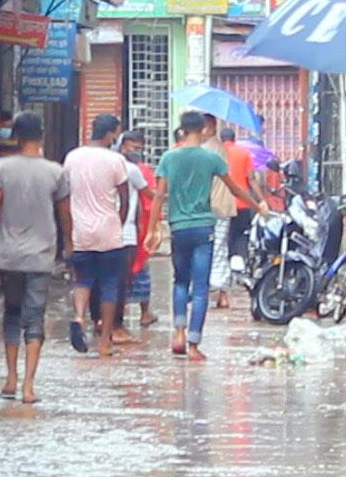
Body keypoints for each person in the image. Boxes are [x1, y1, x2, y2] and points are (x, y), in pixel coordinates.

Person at [0, 112, 70, 404]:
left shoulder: (2, 167)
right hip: (41, 256)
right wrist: (68, 246)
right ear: (41, 136)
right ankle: (29, 386)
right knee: (35, 318)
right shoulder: (55, 172)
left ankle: (10, 378)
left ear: (15, 136)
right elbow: (65, 215)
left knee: (12, 313)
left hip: (10, 255)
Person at [152, 111, 246, 360]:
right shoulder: (211, 157)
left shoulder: (169, 158)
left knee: (180, 281)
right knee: (201, 286)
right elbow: (234, 187)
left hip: (178, 227)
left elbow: (159, 195)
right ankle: (194, 344)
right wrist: (258, 206)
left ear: (182, 131)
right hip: (204, 226)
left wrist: (154, 228)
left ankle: (179, 333)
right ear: (203, 129)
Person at [62, 114, 145, 358]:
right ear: (110, 135)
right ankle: (105, 341)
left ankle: (78, 316)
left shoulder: (72, 157)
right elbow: (125, 197)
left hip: (81, 230)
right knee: (110, 283)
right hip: (108, 230)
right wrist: (118, 222)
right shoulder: (115, 160)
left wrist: (68, 233)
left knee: (83, 279)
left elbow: (65, 195)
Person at [206, 121, 262, 307]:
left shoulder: (211, 152)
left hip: (216, 205)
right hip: (241, 204)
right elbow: (251, 180)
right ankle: (232, 272)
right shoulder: (243, 153)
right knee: (238, 239)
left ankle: (213, 287)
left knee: (218, 245)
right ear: (234, 139)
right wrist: (261, 202)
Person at [118, 131, 159, 332]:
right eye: (133, 147)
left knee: (127, 272)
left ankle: (125, 315)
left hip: (135, 227)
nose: (136, 152)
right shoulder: (138, 170)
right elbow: (152, 199)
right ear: (123, 146)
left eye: (139, 148)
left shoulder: (137, 169)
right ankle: (142, 313)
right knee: (135, 270)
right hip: (133, 228)